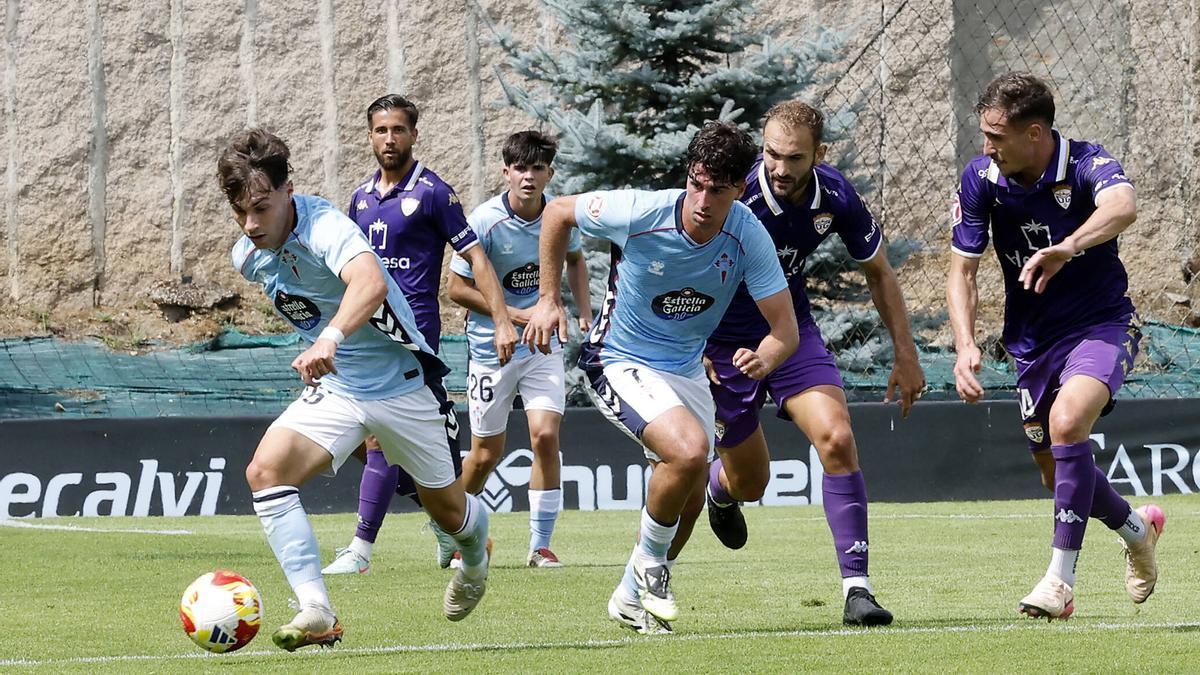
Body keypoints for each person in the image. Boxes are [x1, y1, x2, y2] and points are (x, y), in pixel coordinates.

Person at [221, 129, 492, 651]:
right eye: (239, 211)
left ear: (288, 191)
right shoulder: (249, 256)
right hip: (341, 389)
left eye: (261, 206)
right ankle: (316, 609)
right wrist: (325, 345)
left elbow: (370, 284)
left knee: (450, 514)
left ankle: (476, 557)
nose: (251, 224)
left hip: (404, 386)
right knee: (266, 471)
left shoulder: (325, 225)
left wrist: (329, 337)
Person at [524, 121, 798, 633]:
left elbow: (784, 330)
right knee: (690, 450)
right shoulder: (640, 211)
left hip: (686, 369)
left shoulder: (748, 235)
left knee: (690, 496)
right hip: (618, 358)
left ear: (740, 190)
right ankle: (652, 567)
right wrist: (546, 298)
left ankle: (629, 597)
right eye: (696, 183)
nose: (703, 200)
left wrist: (765, 356)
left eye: (718, 190)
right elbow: (558, 213)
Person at [947, 72, 1164, 620]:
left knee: (1069, 424)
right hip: (1032, 343)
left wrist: (1067, 246)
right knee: (1056, 472)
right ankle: (1138, 531)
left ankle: (1058, 582)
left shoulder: (1088, 162)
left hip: (1102, 324)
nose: (986, 146)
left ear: (1036, 133)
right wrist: (965, 344)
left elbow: (1123, 207)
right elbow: (962, 271)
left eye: (997, 136)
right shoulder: (982, 177)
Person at [700, 100, 925, 627]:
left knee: (838, 439)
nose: (779, 168)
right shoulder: (733, 193)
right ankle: (720, 487)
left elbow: (879, 272)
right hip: (721, 344)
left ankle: (858, 590)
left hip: (790, 334)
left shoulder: (837, 194)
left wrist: (906, 352)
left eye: (794, 158)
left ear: (819, 155)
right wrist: (688, 350)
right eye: (771, 154)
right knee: (750, 484)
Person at [323, 94, 516, 575]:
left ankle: (364, 551)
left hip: (414, 344)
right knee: (386, 446)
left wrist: (504, 318)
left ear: (414, 135)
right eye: (381, 130)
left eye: (398, 130)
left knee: (390, 445)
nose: (390, 139)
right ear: (369, 136)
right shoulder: (361, 199)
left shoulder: (434, 193)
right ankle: (447, 526)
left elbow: (475, 259)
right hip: (369, 339)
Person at [447, 131, 592, 568]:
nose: (529, 177)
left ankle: (540, 546)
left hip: (542, 345)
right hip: (492, 348)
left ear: (550, 173)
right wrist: (516, 317)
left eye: (538, 169)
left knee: (546, 437)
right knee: (486, 454)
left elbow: (576, 260)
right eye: (520, 168)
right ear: (506, 172)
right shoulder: (486, 221)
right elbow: (456, 288)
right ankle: (453, 532)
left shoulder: (559, 216)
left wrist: (584, 312)